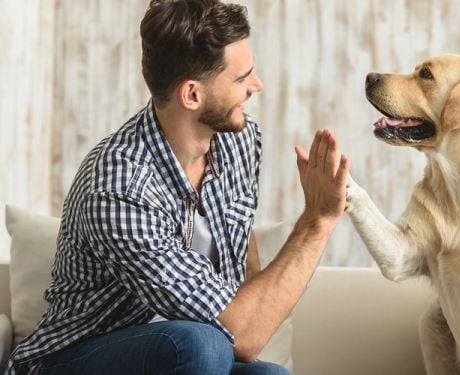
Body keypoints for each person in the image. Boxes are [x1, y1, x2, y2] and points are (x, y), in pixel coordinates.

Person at [5, 0, 349, 373]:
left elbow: (243, 272)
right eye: (241, 77)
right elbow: (242, 335)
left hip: (195, 356)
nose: (257, 84)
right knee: (200, 344)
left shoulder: (239, 141)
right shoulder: (118, 186)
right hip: (74, 359)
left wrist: (246, 322)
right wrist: (318, 221)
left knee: (270, 373)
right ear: (192, 95)